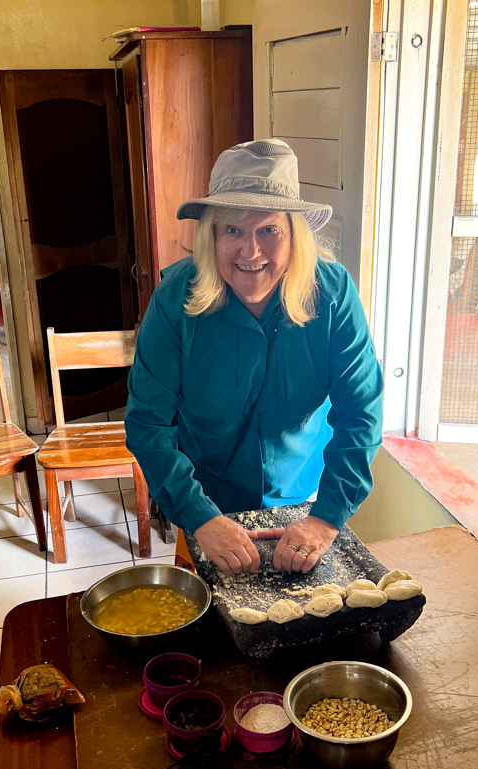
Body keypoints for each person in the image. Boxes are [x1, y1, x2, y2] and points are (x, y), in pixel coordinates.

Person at [125, 139, 383, 575]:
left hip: (304, 503)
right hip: (205, 501)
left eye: (268, 231)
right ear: (211, 236)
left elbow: (361, 413)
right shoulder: (173, 301)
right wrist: (199, 517)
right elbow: (149, 424)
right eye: (233, 231)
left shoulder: (334, 294)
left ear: (294, 235)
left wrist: (326, 517)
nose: (250, 252)